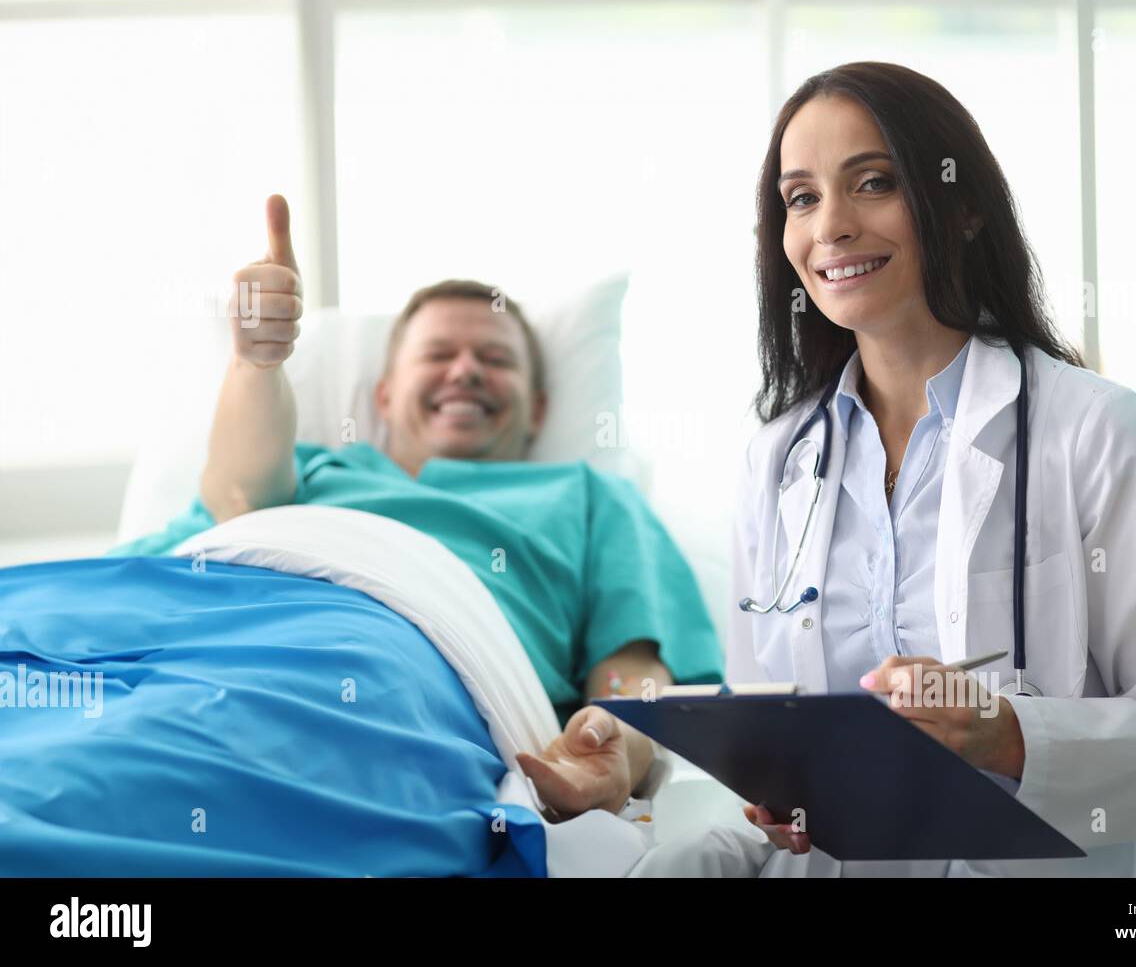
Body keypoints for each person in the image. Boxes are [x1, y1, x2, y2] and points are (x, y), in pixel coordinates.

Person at [728, 61, 1136, 876]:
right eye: (802, 197)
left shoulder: (1100, 431)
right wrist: (778, 792)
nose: (831, 228)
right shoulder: (778, 460)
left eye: (874, 182)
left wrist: (1009, 736)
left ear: (962, 209)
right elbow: (762, 714)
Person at [110, 196, 723, 821]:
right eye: (437, 356)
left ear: (539, 409)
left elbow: (633, 676)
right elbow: (236, 497)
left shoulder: (591, 498)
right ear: (383, 395)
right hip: (198, 640)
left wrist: (623, 744)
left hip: (404, 683)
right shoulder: (314, 470)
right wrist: (255, 364)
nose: (465, 371)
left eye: (495, 359)